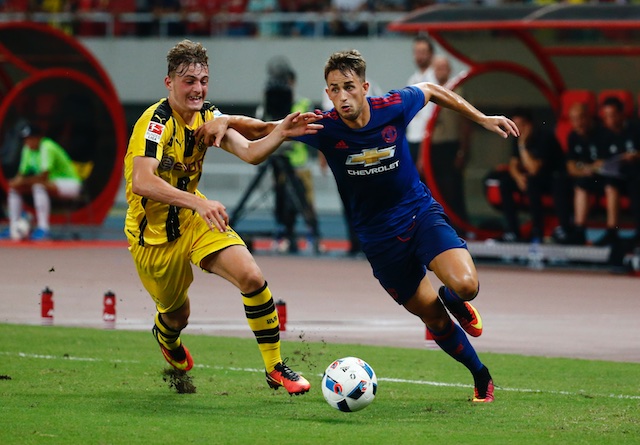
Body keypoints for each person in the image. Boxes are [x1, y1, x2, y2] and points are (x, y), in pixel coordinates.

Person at [294, 49, 520, 402]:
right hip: (379, 241)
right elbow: (265, 128)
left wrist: (482, 118)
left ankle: (452, 296)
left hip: (418, 214)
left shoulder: (393, 106)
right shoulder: (324, 127)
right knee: (436, 321)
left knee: (467, 285)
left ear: (364, 87)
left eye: (348, 87)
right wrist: (222, 120)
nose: (341, 96)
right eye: (334, 89)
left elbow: (432, 89)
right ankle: (481, 374)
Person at [124, 39, 322, 395]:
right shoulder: (154, 123)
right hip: (153, 236)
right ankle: (166, 335)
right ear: (169, 83)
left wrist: (281, 133)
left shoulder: (209, 117)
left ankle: (275, 367)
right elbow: (142, 181)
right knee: (176, 315)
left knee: (251, 276)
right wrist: (197, 202)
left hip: (195, 220)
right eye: (188, 81)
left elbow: (250, 151)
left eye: (203, 80)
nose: (197, 88)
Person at [498, 108, 572, 243]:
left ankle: (538, 230)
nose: (517, 129)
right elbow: (514, 164)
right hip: (533, 179)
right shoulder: (518, 137)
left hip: (551, 179)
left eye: (520, 125)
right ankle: (513, 231)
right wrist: (518, 177)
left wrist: (522, 146)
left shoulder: (544, 137)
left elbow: (534, 169)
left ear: (529, 125)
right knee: (505, 183)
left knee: (532, 183)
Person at [1, 123, 82, 241]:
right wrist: (14, 183)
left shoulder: (47, 147)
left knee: (38, 186)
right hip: (51, 184)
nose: (27, 142)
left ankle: (44, 229)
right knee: (15, 189)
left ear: (38, 138)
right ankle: (13, 226)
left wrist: (21, 182)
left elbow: (43, 177)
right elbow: (21, 175)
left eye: (30, 138)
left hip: (70, 184)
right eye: (25, 139)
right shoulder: (27, 149)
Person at [421, 55, 470, 225]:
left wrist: (463, 150)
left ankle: (461, 227)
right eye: (437, 68)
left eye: (443, 67)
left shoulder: (458, 91)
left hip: (451, 146)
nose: (440, 71)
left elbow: (465, 124)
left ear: (449, 70)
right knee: (434, 190)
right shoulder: (428, 91)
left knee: (453, 190)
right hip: (433, 147)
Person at [593, 96, 640, 248]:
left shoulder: (635, 130)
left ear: (621, 114)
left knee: (636, 185)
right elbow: (600, 160)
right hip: (614, 176)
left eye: (612, 115)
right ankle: (612, 231)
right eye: (606, 116)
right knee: (610, 185)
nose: (609, 120)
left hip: (635, 175)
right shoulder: (602, 134)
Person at [564, 102, 605, 245]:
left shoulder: (602, 133)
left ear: (588, 117)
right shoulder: (573, 136)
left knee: (582, 185)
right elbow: (570, 166)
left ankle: (580, 229)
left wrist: (587, 168)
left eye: (580, 118)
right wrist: (586, 169)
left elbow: (603, 163)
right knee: (560, 183)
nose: (578, 123)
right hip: (584, 178)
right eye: (574, 119)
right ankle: (567, 229)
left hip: (604, 179)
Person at [406, 34, 436, 172]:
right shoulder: (412, 79)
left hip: (428, 140)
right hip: (412, 138)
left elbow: (430, 116)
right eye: (417, 52)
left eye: (423, 52)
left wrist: (422, 154)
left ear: (431, 54)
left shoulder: (434, 81)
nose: (419, 56)